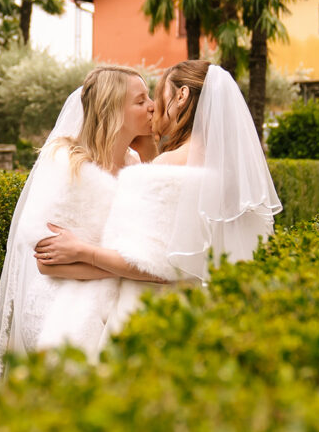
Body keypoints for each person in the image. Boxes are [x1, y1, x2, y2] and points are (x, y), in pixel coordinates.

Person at [35, 61, 282, 338]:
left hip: (148, 312)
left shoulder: (164, 166)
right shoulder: (233, 169)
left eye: (157, 93)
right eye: (142, 100)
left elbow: (158, 266)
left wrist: (84, 252)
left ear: (182, 95)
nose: (153, 105)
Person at [0, 64, 155, 385]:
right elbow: (49, 264)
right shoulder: (66, 160)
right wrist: (125, 269)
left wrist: (115, 265)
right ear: (111, 110)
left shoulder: (135, 163)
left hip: (111, 306)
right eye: (140, 100)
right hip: (58, 309)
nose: (152, 105)